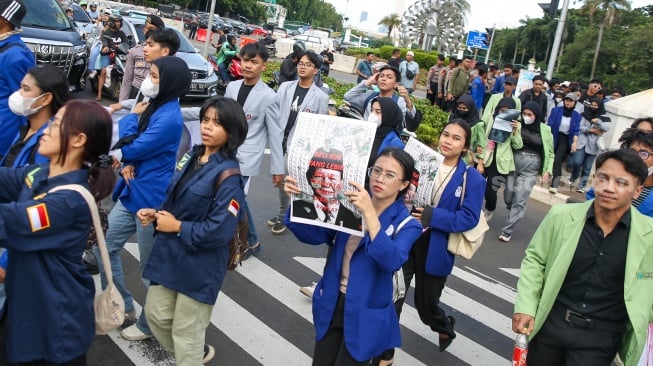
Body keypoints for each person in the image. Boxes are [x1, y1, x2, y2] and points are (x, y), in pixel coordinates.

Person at [512, 148, 653, 366]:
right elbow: (535, 259)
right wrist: (526, 306)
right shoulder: (561, 217)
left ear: (637, 191)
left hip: (601, 338)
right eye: (603, 178)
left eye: (621, 183)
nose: (609, 188)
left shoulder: (649, 235)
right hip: (550, 325)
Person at [0, 99, 115, 364]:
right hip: (28, 306)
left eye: (57, 123)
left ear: (78, 140)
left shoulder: (67, 202)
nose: (47, 129)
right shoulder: (41, 172)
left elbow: (11, 221)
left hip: (53, 326)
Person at [285, 148, 423, 366]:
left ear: (404, 184)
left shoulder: (407, 224)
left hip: (365, 313)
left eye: (390, 175)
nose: (379, 178)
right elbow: (315, 235)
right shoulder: (347, 207)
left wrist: (369, 213)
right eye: (376, 170)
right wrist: (298, 200)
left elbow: (391, 260)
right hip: (332, 301)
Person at [140, 97, 247, 366]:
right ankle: (194, 355)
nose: (208, 127)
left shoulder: (229, 176)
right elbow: (177, 198)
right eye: (205, 120)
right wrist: (157, 213)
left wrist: (177, 226)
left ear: (232, 132)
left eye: (217, 123)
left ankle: (190, 357)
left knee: (186, 333)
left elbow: (220, 231)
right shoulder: (193, 155)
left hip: (200, 265)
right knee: (155, 315)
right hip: (171, 255)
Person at [97, 57, 191, 342]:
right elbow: (134, 149)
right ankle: (123, 305)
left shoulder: (169, 118)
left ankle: (150, 324)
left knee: (149, 269)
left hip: (151, 199)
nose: (148, 81)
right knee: (105, 248)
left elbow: (137, 145)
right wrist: (128, 158)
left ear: (170, 83)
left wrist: (130, 119)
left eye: (154, 76)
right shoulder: (154, 106)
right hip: (132, 189)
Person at [399, 120, 486, 355]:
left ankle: (443, 325)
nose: (448, 141)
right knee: (393, 293)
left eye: (456, 138)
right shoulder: (422, 163)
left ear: (465, 147)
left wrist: (432, 216)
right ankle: (382, 351)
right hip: (407, 238)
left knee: (425, 303)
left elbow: (469, 218)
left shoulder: (472, 179)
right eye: (446, 135)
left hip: (436, 245)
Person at [224, 42, 280, 257]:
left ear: (263, 66)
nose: (247, 65)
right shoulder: (232, 87)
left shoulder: (269, 96)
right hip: (225, 152)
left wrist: (277, 168)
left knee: (236, 199)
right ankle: (244, 238)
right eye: (245, 60)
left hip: (247, 157)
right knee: (233, 198)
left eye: (253, 62)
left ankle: (252, 240)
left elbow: (275, 133)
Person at [265, 50, 329, 235]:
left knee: (285, 179)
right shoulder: (285, 87)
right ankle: (286, 214)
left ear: (316, 70)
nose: (302, 67)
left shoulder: (320, 97)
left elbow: (320, 126)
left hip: (300, 146)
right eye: (301, 63)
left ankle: (283, 215)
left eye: (308, 64)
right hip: (280, 141)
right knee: (285, 181)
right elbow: (274, 110)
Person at [498, 101, 554, 242]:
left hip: (532, 166)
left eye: (530, 114)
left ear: (537, 115)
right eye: (524, 114)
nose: (526, 116)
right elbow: (508, 141)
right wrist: (515, 130)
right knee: (508, 196)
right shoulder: (517, 124)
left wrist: (548, 170)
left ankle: (507, 231)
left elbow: (550, 152)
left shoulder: (545, 130)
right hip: (513, 162)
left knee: (520, 198)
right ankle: (512, 214)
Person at [1, 65, 71, 168]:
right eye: (20, 87)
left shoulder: (49, 141)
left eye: (26, 89)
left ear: (45, 99)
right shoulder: (28, 126)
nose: (18, 94)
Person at [586, 125, 653, 216]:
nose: (636, 157)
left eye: (644, 153)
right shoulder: (606, 181)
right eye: (632, 151)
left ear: (638, 191)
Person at [291, 148, 362, 231]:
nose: (326, 184)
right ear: (310, 178)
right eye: (319, 176)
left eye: (332, 178)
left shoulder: (353, 219)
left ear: (341, 182)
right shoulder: (296, 209)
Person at [0, 0, 35, 160]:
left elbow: (24, 102)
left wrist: (23, 140)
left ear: (5, 19)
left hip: (4, 133)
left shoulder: (15, 56)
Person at [482, 97, 522, 221]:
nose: (504, 113)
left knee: (491, 191)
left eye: (508, 111)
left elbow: (518, 145)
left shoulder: (516, 125)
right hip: (486, 157)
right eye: (502, 110)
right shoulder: (490, 118)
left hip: (501, 162)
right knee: (475, 185)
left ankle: (490, 208)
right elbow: (482, 137)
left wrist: (515, 132)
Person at [343, 65, 418, 128]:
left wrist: (408, 101)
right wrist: (367, 82)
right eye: (381, 76)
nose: (383, 79)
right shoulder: (370, 95)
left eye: (389, 77)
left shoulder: (399, 101)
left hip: (385, 142)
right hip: (366, 135)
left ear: (396, 84)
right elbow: (348, 97)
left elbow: (410, 121)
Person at [118, 15, 167, 102]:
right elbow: (127, 81)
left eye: (152, 29)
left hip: (155, 95)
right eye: (146, 28)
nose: (148, 31)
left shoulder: (166, 53)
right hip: (135, 93)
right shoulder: (135, 51)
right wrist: (122, 103)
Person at [569, 97, 611, 193]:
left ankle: (581, 186)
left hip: (593, 146)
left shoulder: (603, 117)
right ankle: (573, 176)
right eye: (592, 104)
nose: (593, 107)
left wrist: (598, 122)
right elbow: (579, 126)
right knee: (577, 162)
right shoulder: (584, 114)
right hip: (582, 142)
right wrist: (590, 130)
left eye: (596, 105)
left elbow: (606, 128)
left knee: (587, 167)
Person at [547, 92, 581, 193]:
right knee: (550, 157)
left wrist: (575, 142)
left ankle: (554, 184)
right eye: (567, 100)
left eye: (571, 101)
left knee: (557, 160)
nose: (568, 102)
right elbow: (550, 124)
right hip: (554, 136)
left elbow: (576, 130)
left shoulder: (576, 116)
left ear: (575, 103)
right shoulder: (556, 110)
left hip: (565, 139)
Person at [448, 95, 486, 170]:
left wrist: (480, 163)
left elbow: (482, 144)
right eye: (459, 108)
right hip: (450, 153)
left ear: (470, 108)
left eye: (464, 108)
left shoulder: (478, 124)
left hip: (466, 159)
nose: (461, 110)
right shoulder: (452, 118)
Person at [96, 14, 128, 101]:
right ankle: (99, 94)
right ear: (112, 22)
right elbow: (104, 41)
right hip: (107, 55)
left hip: (119, 55)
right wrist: (106, 47)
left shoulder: (121, 33)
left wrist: (128, 48)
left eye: (119, 22)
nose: (118, 23)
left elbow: (126, 43)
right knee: (103, 72)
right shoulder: (105, 33)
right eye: (117, 21)